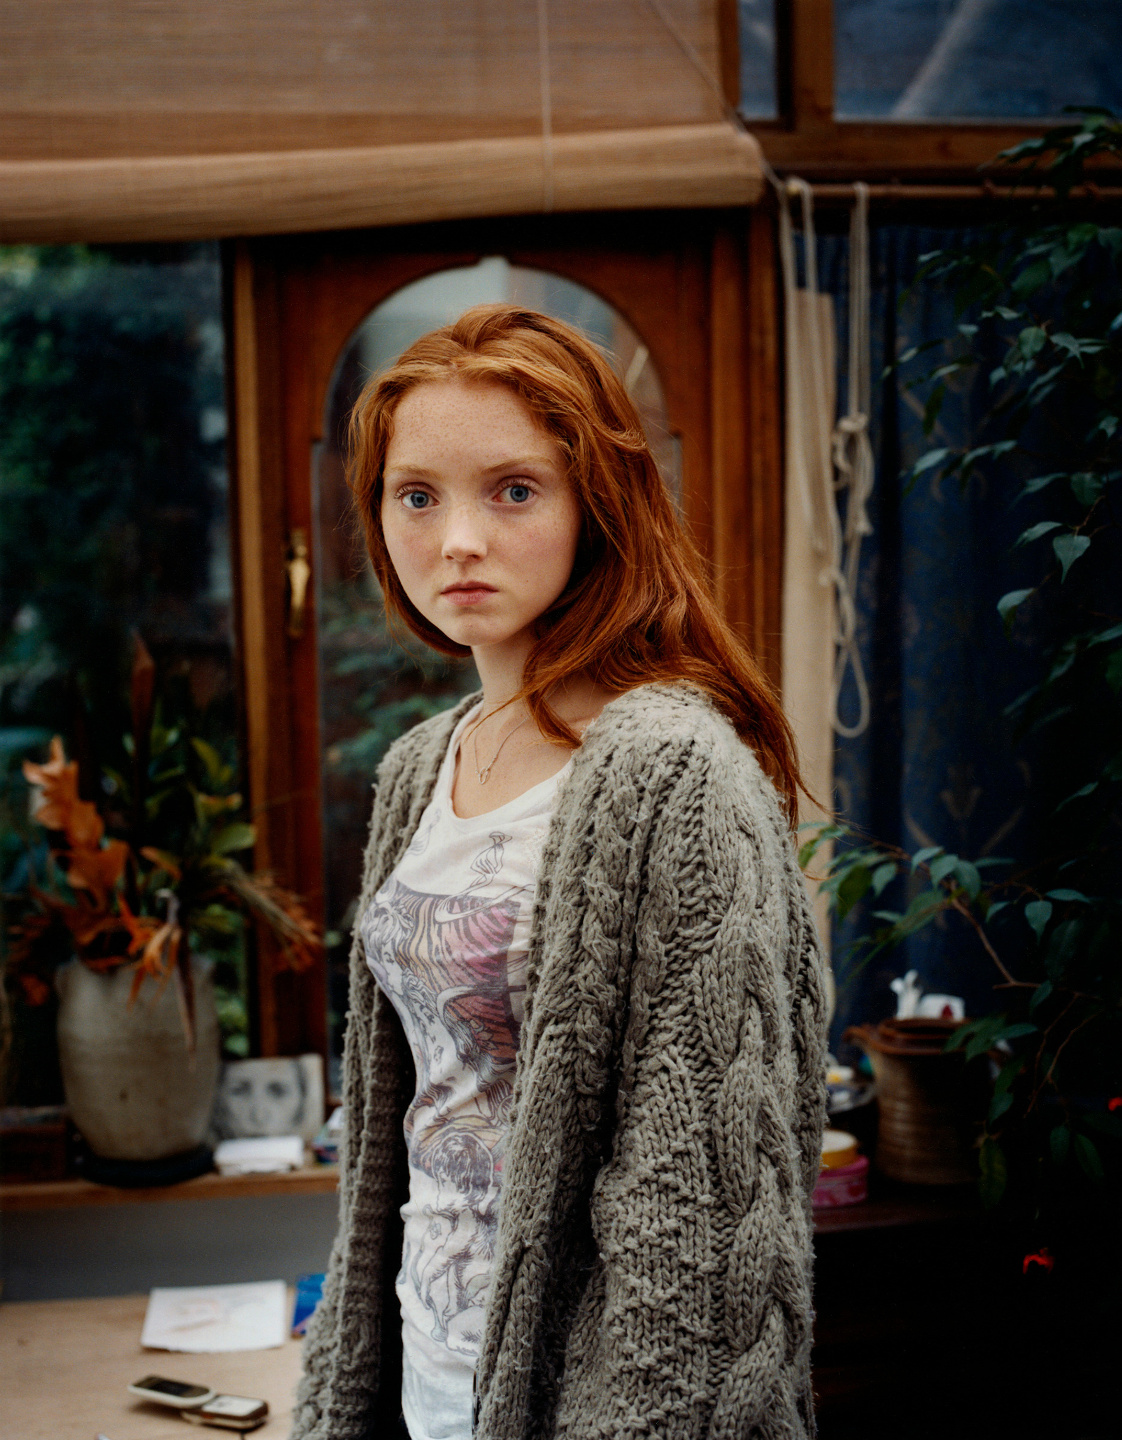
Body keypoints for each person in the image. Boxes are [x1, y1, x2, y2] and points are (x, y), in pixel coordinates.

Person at [291, 305, 829, 1440]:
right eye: (415, 495)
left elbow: (692, 1214)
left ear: (598, 503)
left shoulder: (675, 772)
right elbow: (401, 1135)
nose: (457, 540)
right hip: (422, 1377)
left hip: (583, 1399)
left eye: (513, 490)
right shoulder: (420, 766)